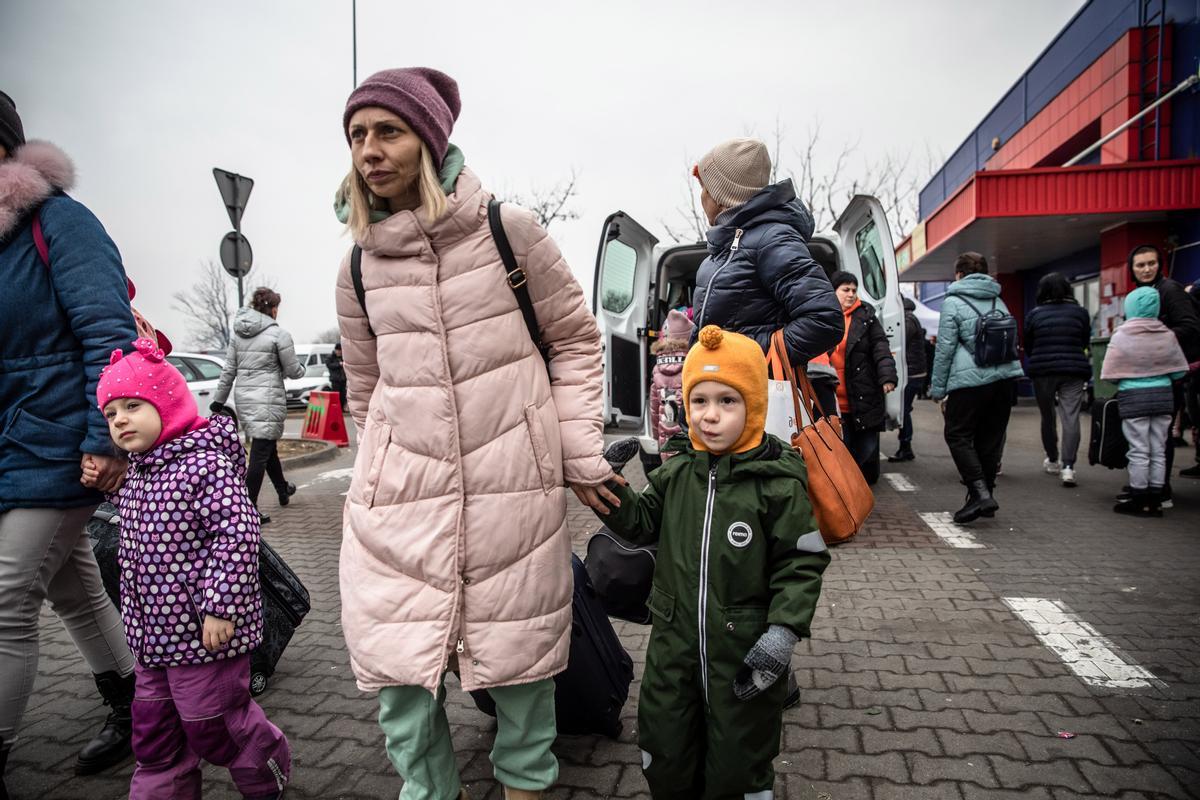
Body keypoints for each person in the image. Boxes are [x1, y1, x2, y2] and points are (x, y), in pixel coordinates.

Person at [335, 67, 615, 800]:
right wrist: (384, 460)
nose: (369, 148)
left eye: (387, 130)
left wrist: (574, 449)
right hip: (400, 498)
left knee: (519, 665)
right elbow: (364, 386)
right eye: (357, 134)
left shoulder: (507, 230)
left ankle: (525, 786)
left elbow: (578, 342)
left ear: (428, 140)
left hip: (509, 486)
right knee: (400, 676)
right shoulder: (358, 266)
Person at [593, 325, 829, 799]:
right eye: (699, 401)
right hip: (672, 646)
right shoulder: (677, 472)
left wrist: (781, 634)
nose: (710, 416)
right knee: (665, 749)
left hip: (745, 650)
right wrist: (610, 486)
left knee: (738, 764)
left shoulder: (777, 483)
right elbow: (641, 523)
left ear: (755, 406)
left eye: (728, 401)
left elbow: (800, 564)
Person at [0, 91, 139, 787]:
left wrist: (104, 440)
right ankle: (138, 706)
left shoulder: (60, 222)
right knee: (73, 588)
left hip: (58, 441)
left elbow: (108, 336)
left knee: (6, 594)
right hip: (12, 445)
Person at [92, 339, 289, 799]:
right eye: (110, 413)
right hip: (151, 641)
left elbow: (238, 536)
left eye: (132, 406)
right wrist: (108, 489)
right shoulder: (139, 471)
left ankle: (268, 768)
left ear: (168, 404)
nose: (119, 419)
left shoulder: (206, 467)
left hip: (205, 637)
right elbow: (148, 523)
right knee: (154, 737)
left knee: (215, 727)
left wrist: (221, 607)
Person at [689, 138, 842, 367]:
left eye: (705, 187)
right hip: (721, 394)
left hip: (757, 396)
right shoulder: (726, 246)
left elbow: (824, 321)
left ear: (720, 195)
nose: (701, 196)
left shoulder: (772, 239)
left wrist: (742, 356)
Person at [929, 252, 1025, 523]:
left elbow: (945, 349)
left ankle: (981, 494)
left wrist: (937, 389)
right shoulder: (997, 298)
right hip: (1004, 380)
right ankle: (982, 497)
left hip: (969, 382)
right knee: (990, 439)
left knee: (957, 435)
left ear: (959, 274)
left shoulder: (954, 301)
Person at [212, 287, 305, 524]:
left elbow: (229, 371)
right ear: (273, 309)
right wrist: (300, 369)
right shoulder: (278, 335)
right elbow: (293, 371)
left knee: (266, 447)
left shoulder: (237, 335)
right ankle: (247, 511)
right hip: (268, 400)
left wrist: (218, 401)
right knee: (259, 456)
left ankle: (283, 489)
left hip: (246, 400)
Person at [1100, 288, 1189, 516]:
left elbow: (1109, 373)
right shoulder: (1167, 334)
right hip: (1162, 397)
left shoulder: (1121, 336)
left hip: (1133, 399)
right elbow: (1180, 372)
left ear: (1129, 307)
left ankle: (1139, 498)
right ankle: (1156, 498)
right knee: (1158, 449)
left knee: (1138, 449)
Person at [1128, 245, 1200, 504]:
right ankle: (1145, 485)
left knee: (1159, 435)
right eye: (1140, 265)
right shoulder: (1143, 293)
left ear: (1160, 264)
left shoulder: (1170, 290)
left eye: (1151, 263)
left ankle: (1160, 489)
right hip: (1148, 374)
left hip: (1166, 375)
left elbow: (1190, 326)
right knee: (1145, 436)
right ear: (1132, 269)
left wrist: (1155, 340)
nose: (1146, 269)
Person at [1023, 272, 1092, 487]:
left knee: (1047, 416)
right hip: (1073, 370)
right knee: (1070, 416)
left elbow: (1029, 345)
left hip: (1043, 371)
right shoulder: (1080, 313)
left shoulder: (1034, 314)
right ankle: (1068, 467)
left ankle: (1052, 458)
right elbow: (1084, 341)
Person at [829, 272, 897, 484]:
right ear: (834, 291)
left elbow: (880, 346)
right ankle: (847, 488)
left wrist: (887, 376)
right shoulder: (825, 315)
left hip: (862, 395)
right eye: (845, 289)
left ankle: (851, 481)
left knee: (866, 447)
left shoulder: (866, 316)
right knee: (842, 446)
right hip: (834, 399)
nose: (850, 294)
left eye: (853, 290)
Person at [649, 309, 694, 461]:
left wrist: (656, 434)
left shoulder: (657, 368)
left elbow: (654, 408)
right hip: (689, 437)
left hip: (666, 438)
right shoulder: (692, 365)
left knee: (670, 477)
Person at [890, 296, 928, 462]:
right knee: (905, 409)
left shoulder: (907, 320)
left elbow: (898, 340)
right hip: (914, 372)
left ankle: (906, 446)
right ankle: (905, 446)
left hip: (911, 373)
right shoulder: (911, 318)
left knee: (904, 410)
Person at [327, 341, 348, 409]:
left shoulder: (344, 357)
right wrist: (339, 364)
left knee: (343, 395)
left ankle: (342, 408)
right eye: (338, 350)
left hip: (343, 380)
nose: (339, 352)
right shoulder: (330, 357)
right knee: (336, 395)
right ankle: (336, 408)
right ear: (335, 350)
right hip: (335, 380)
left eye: (340, 350)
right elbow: (329, 365)